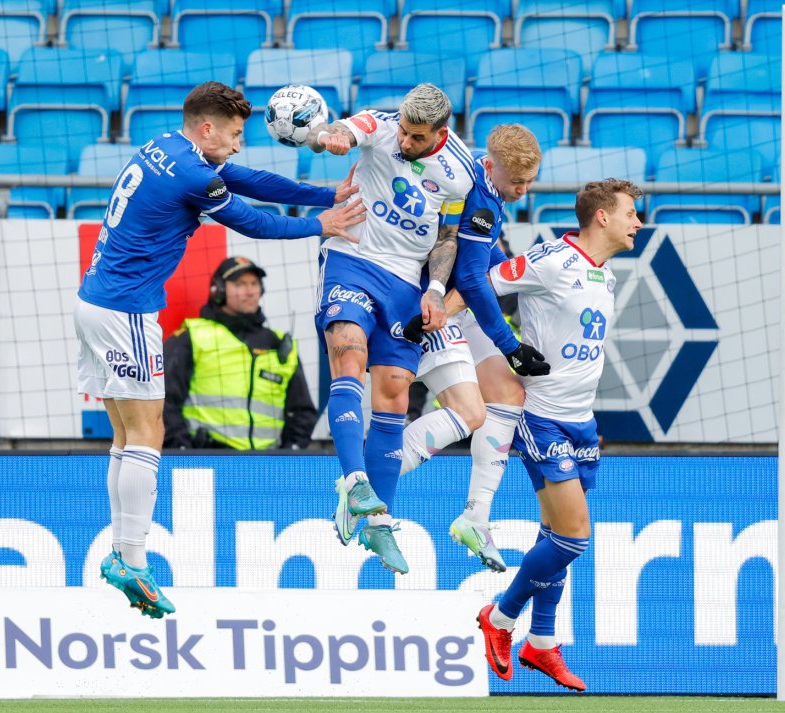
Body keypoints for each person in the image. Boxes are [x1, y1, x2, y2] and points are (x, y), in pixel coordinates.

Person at [75, 81, 365, 619]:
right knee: (147, 432)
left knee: (124, 433)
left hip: (94, 301)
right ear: (207, 128)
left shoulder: (168, 145)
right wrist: (320, 226)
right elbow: (251, 221)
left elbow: (248, 177)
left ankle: (123, 550)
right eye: (233, 135)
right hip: (125, 309)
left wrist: (326, 194)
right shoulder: (191, 173)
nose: (236, 146)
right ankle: (132, 558)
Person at [475, 178, 643, 693]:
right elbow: (482, 285)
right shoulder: (550, 260)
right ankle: (500, 620)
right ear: (601, 217)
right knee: (574, 535)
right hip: (541, 415)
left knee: (556, 537)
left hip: (581, 420)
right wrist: (434, 317)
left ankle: (542, 643)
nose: (639, 222)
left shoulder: (605, 276)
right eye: (631, 213)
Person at [305, 84, 474, 573]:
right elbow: (341, 131)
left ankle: (380, 522)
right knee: (348, 351)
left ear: (440, 133)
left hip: (404, 279)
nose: (404, 140)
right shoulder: (381, 126)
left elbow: (447, 239)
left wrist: (437, 290)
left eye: (416, 136)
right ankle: (353, 480)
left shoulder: (459, 175)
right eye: (402, 128)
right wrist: (327, 137)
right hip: (352, 257)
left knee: (396, 395)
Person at [397, 124, 548, 574]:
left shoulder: (490, 187)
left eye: (530, 182)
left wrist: (520, 268)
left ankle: (476, 517)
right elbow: (474, 280)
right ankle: (367, 476)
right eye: (516, 182)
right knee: (461, 410)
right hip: (430, 305)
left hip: (457, 302)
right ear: (490, 165)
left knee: (508, 396)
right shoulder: (479, 198)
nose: (522, 190)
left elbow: (484, 267)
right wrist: (511, 344)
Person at [163, 256, 318, 451]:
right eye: (240, 284)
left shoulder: (280, 344)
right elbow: (163, 400)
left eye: (254, 283)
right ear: (218, 290)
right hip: (206, 460)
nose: (250, 291)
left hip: (267, 466)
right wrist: (183, 450)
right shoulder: (192, 336)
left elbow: (303, 412)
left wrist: (289, 454)